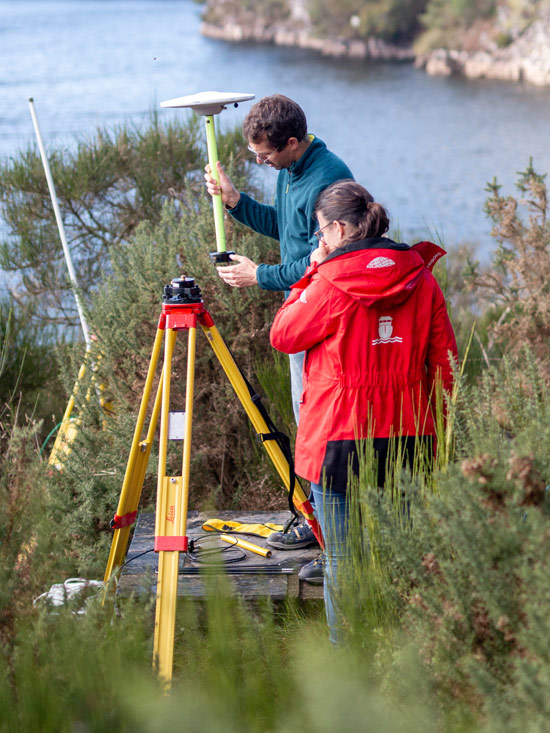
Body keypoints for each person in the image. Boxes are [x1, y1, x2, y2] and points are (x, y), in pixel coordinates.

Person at [269, 180, 458, 643]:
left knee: (342, 560)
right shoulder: (421, 276)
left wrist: (306, 277)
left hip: (339, 439)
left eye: (320, 234)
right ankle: (411, 656)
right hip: (410, 436)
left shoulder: (329, 282)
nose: (319, 243)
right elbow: (445, 365)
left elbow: (284, 335)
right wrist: (441, 433)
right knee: (408, 555)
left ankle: (348, 667)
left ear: (337, 228)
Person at [204, 94, 354, 573]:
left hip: (324, 321)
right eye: (254, 156)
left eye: (266, 155)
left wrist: (260, 276)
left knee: (318, 426)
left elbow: (320, 261)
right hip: (302, 313)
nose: (261, 163)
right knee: (306, 420)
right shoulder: (292, 172)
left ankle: (330, 537)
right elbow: (283, 228)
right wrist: (234, 202)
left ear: (293, 142)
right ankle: (318, 521)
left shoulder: (328, 178)